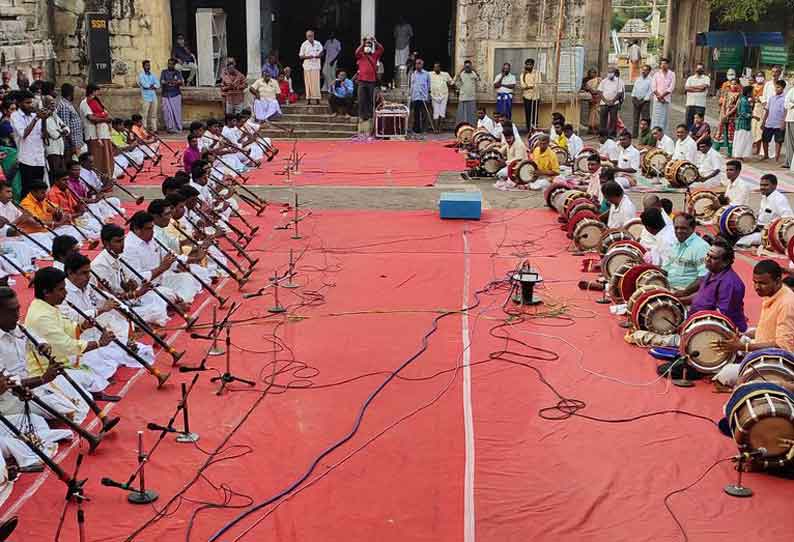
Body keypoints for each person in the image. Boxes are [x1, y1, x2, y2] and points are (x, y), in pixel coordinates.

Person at [25, 267, 120, 396]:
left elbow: (66, 328)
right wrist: (99, 343)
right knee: (88, 390)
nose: (65, 293)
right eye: (61, 289)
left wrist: (82, 327)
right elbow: (67, 346)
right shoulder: (42, 316)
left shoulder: (48, 306)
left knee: (100, 372)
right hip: (47, 371)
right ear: (47, 292)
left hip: (62, 361)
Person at [712, 259, 794, 387]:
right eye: (755, 282)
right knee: (726, 339)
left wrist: (743, 347)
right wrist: (745, 334)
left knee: (725, 373)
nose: (757, 287)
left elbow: (782, 346)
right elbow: (767, 328)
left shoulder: (787, 303)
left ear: (778, 281)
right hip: (760, 347)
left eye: (762, 283)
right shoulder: (771, 293)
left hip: (776, 361)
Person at [92, 223, 169, 326]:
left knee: (161, 298)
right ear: (106, 243)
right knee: (155, 310)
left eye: (123, 240)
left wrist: (132, 286)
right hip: (115, 308)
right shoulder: (99, 265)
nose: (123, 244)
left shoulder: (118, 256)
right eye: (118, 241)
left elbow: (125, 285)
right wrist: (135, 293)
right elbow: (109, 298)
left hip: (129, 301)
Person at [673, 239, 748, 328]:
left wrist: (690, 325)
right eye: (708, 255)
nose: (707, 259)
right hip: (697, 319)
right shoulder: (712, 271)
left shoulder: (729, 284)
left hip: (716, 328)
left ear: (726, 262)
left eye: (713, 258)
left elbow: (721, 316)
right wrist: (680, 301)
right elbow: (702, 295)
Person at [737, 173, 793, 247]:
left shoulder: (779, 199)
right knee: (735, 233)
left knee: (742, 242)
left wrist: (772, 231)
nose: (762, 187)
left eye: (766, 185)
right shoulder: (765, 197)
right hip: (758, 228)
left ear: (774, 186)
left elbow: (788, 219)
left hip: (768, 233)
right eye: (761, 185)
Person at [9, 91, 46, 199]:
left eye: (31, 102)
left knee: (39, 190)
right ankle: (26, 213)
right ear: (19, 103)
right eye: (27, 103)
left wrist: (44, 120)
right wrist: (36, 119)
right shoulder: (15, 116)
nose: (30, 105)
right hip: (26, 158)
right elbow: (23, 134)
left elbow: (44, 135)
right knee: (27, 189)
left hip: (39, 158)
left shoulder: (35, 115)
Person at [662, 212, 709, 290]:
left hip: (686, 293)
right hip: (669, 288)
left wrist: (685, 293)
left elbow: (703, 277)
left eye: (683, 228)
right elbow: (665, 270)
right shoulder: (675, 244)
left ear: (693, 228)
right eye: (676, 228)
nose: (679, 231)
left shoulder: (701, 247)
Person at [80, 84, 113, 179]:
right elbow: (91, 118)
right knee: (97, 160)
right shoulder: (85, 103)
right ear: (93, 91)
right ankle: (97, 181)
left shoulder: (96, 101)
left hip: (103, 134)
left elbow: (103, 113)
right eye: (98, 91)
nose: (99, 93)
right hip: (93, 135)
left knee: (106, 160)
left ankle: (107, 180)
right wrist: (105, 119)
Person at [354, 36, 384, 122]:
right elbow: (356, 52)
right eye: (366, 45)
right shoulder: (361, 56)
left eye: (369, 45)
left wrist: (375, 41)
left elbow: (381, 49)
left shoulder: (374, 56)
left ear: (371, 47)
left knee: (370, 99)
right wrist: (362, 44)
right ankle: (362, 116)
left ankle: (370, 116)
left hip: (371, 81)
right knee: (361, 99)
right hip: (362, 81)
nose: (368, 47)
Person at [762, 79, 787, 164]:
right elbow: (767, 111)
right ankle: (766, 155)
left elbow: (785, 112)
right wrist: (763, 121)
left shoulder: (785, 99)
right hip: (769, 123)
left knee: (778, 141)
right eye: (776, 87)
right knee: (765, 139)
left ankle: (776, 158)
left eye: (779, 87)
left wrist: (783, 123)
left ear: (783, 88)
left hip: (778, 124)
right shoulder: (771, 98)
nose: (777, 89)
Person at [55, 83, 83, 161]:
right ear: (71, 93)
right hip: (72, 143)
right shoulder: (64, 106)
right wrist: (72, 145)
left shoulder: (68, 104)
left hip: (76, 141)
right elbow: (66, 127)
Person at [43, 96, 69, 173]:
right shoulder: (45, 118)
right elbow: (55, 135)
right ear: (45, 104)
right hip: (52, 151)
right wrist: (62, 131)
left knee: (62, 174)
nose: (53, 105)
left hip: (60, 150)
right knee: (55, 174)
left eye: (54, 103)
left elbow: (67, 128)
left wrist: (62, 131)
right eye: (51, 103)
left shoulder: (55, 116)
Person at [716, 70, 741, 149]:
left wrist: (728, 114)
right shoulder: (727, 92)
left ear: (738, 85)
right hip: (724, 113)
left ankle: (730, 150)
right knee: (720, 129)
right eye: (732, 84)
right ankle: (718, 146)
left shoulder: (739, 95)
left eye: (735, 84)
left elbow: (736, 106)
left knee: (731, 131)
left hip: (732, 115)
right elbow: (723, 103)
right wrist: (723, 113)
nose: (733, 85)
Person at [597, 67, 624, 138]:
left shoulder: (619, 81)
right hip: (604, 103)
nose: (610, 74)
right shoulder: (604, 81)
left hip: (614, 103)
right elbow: (599, 91)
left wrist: (613, 101)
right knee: (603, 119)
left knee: (613, 119)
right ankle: (602, 134)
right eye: (608, 72)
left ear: (614, 73)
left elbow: (620, 92)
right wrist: (605, 101)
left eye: (611, 72)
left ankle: (612, 134)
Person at [299, 30, 323, 105]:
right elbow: (301, 56)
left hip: (316, 66)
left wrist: (319, 55)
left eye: (311, 35)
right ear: (306, 36)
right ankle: (308, 99)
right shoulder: (304, 44)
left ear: (313, 35)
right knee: (308, 83)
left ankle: (317, 99)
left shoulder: (318, 43)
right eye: (308, 36)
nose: (310, 37)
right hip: (307, 67)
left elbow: (322, 52)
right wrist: (308, 57)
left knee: (316, 83)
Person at [651, 58, 675, 132]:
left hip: (666, 99)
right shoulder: (656, 74)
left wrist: (662, 96)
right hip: (657, 99)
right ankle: (654, 134)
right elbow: (653, 87)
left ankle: (663, 135)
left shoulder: (672, 74)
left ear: (668, 65)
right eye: (662, 64)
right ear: (660, 65)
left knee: (664, 118)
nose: (663, 65)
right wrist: (659, 96)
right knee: (656, 117)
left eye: (665, 64)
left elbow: (671, 87)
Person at [160, 58, 184, 134]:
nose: (169, 65)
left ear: (174, 65)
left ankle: (178, 127)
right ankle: (170, 128)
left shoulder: (177, 72)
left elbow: (181, 82)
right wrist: (170, 82)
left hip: (175, 94)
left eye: (171, 64)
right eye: (168, 64)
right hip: (165, 95)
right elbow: (162, 81)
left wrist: (174, 82)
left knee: (176, 112)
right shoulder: (164, 72)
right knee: (167, 112)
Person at [684, 63, 710, 130]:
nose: (699, 70)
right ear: (695, 69)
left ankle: (697, 138)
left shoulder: (706, 78)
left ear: (703, 69)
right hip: (690, 104)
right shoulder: (690, 78)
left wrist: (691, 88)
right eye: (698, 68)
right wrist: (699, 89)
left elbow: (703, 88)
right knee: (688, 123)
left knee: (699, 124)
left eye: (701, 68)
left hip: (700, 104)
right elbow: (686, 88)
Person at [137, 60, 160, 133]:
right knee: (144, 114)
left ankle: (154, 129)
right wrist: (152, 85)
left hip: (153, 96)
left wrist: (152, 86)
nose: (148, 67)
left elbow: (158, 84)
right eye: (146, 65)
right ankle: (144, 129)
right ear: (143, 66)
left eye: (149, 65)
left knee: (154, 114)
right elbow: (144, 85)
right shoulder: (141, 75)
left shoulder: (153, 75)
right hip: (145, 97)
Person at [454, 61, 480, 125]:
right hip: (463, 98)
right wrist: (459, 73)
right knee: (462, 116)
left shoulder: (474, 73)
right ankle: (462, 128)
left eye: (469, 66)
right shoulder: (461, 74)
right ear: (464, 66)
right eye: (466, 66)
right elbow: (454, 82)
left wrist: (475, 71)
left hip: (471, 97)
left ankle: (472, 127)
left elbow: (479, 80)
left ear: (471, 66)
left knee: (472, 115)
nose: (467, 67)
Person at [409, 58, 431, 134]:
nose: (417, 65)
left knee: (424, 114)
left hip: (423, 96)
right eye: (416, 63)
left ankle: (425, 129)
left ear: (422, 64)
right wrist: (411, 96)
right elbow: (412, 85)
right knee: (416, 114)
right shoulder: (413, 74)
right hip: (416, 96)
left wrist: (427, 96)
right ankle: (417, 129)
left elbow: (428, 85)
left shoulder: (426, 74)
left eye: (419, 63)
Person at [732, 85, 753, 160]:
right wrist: (752, 116)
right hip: (743, 123)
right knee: (742, 139)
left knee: (742, 139)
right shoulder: (744, 101)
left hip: (745, 123)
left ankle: (739, 155)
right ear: (748, 93)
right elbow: (743, 113)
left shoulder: (744, 99)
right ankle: (739, 155)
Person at [630, 65, 652, 137]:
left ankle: (645, 134)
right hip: (636, 100)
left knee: (645, 119)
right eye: (642, 69)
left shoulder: (651, 80)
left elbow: (650, 92)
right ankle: (634, 134)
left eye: (645, 70)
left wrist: (643, 100)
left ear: (649, 71)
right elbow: (634, 89)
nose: (643, 71)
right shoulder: (638, 79)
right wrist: (633, 98)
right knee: (635, 118)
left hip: (645, 102)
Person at [520, 58, 540, 131]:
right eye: (527, 64)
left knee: (535, 114)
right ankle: (528, 129)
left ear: (533, 65)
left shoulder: (537, 73)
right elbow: (523, 86)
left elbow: (537, 84)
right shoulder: (523, 74)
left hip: (536, 96)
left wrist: (528, 87)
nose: (529, 66)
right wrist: (529, 87)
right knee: (528, 113)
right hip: (527, 96)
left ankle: (534, 129)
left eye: (530, 64)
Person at [582, 68, 602, 134]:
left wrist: (595, 92)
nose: (592, 74)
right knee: (592, 113)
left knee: (596, 114)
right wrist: (591, 89)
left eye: (594, 73)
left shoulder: (599, 80)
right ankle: (591, 128)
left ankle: (595, 128)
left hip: (598, 99)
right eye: (591, 72)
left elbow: (600, 89)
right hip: (591, 99)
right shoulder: (586, 80)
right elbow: (585, 87)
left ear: (596, 73)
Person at [751, 71, 767, 155]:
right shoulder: (753, 86)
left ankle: (758, 149)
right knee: (753, 128)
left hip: (762, 109)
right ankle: (752, 147)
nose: (759, 77)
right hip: (754, 109)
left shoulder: (766, 86)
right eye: (758, 76)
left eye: (761, 76)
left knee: (760, 129)